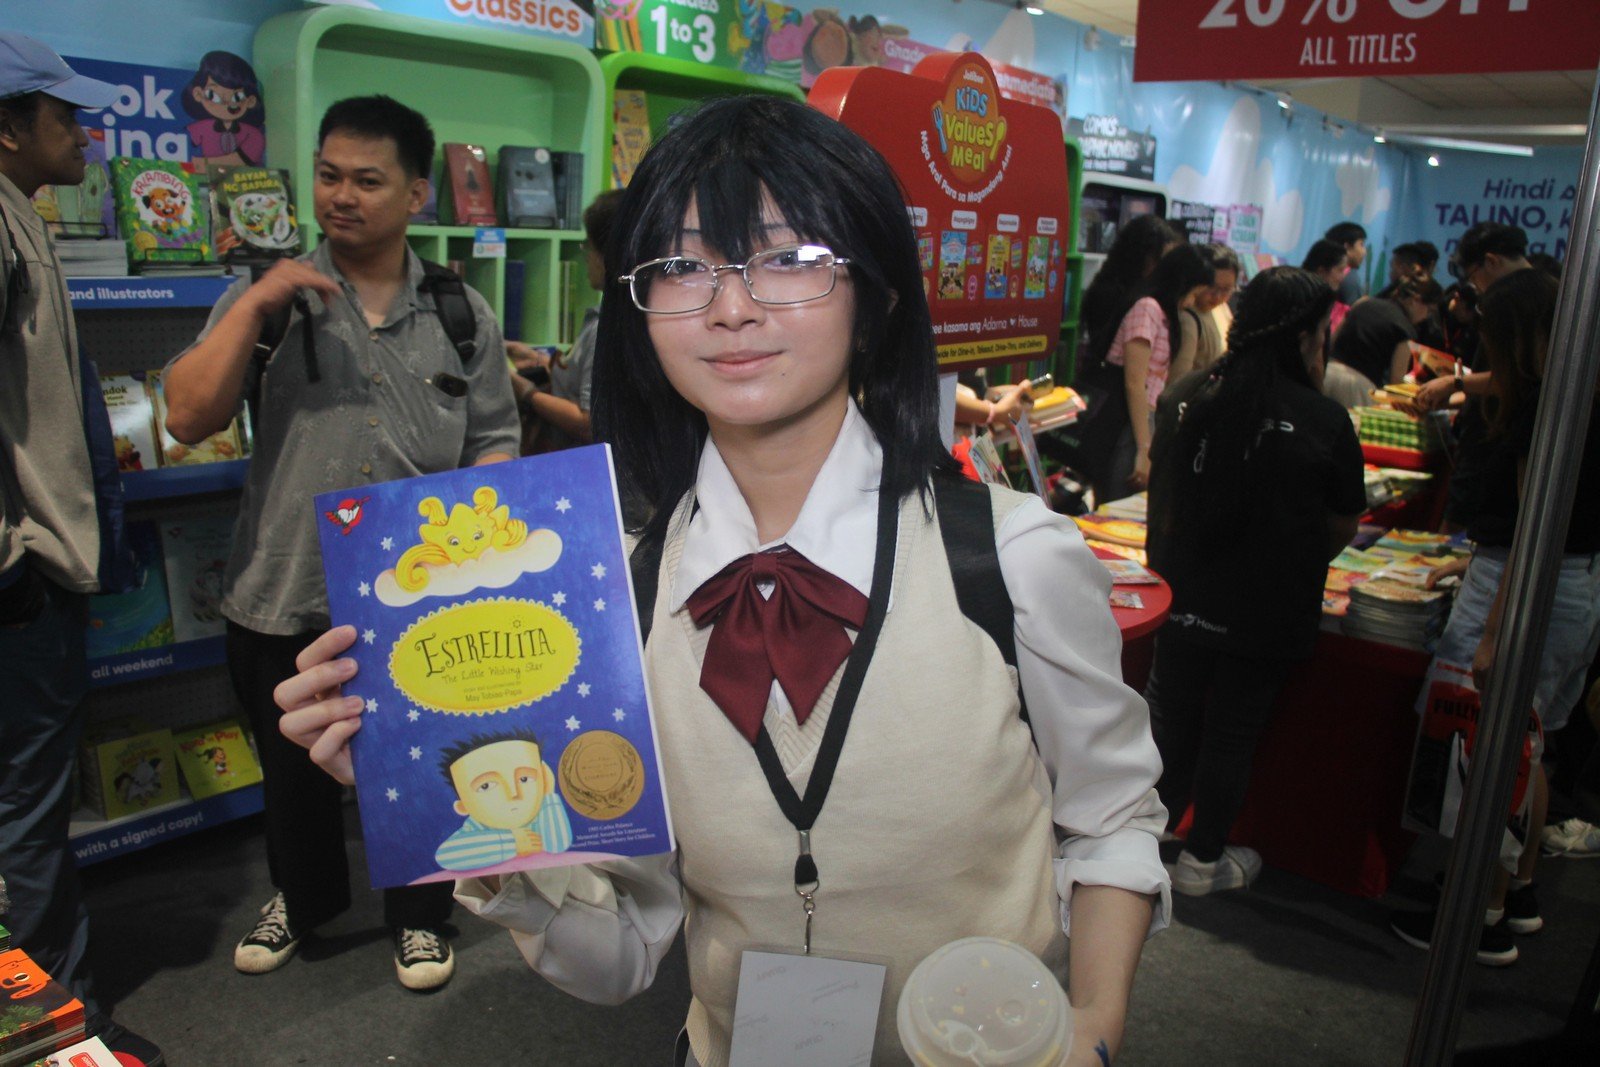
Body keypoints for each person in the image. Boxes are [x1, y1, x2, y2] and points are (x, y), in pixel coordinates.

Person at [275, 94, 1170, 1067]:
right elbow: (623, 955)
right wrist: (458, 811)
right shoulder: (618, 599)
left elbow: (1111, 818)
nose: (731, 306)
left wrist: (1094, 1023)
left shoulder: (1011, 557)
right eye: (680, 267)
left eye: (789, 258)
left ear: (875, 293)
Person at [161, 94, 519, 991]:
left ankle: (422, 915)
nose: (342, 196)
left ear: (416, 193)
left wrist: (480, 535)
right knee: (293, 775)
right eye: (328, 176)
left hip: (418, 595)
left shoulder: (460, 311)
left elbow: (494, 437)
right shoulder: (268, 301)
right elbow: (186, 417)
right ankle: (302, 895)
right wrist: (259, 302)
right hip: (282, 585)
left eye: (367, 180)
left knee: (422, 762)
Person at [0, 33, 164, 1066]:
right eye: (62, 115)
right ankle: (56, 1026)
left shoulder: (21, 216)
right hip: (18, 584)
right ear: (7, 126)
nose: (84, 132)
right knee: (26, 810)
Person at [1390, 268, 1600, 964]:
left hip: (1528, 586)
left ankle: (1478, 910)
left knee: (1490, 743)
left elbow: (1532, 531)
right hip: (1576, 582)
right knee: (1528, 743)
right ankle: (1517, 890)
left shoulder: (1542, 410)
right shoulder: (1578, 386)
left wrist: (1490, 631)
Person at [1144, 267, 1366, 896]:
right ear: (1305, 336)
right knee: (1232, 732)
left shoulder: (1186, 395)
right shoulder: (1323, 418)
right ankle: (1202, 861)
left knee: (1167, 722)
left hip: (1181, 597)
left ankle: (1139, 845)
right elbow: (1342, 522)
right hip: (1267, 607)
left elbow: (1164, 496)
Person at [507, 188, 624, 454]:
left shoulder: (607, 329)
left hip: (582, 462)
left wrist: (526, 392)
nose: (586, 256)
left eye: (588, 246)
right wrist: (540, 361)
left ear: (606, 254)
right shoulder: (612, 317)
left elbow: (589, 422)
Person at [1095, 242, 1214, 502]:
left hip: (1140, 420)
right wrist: (1144, 447)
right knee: (1119, 500)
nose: (1191, 302)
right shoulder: (1148, 309)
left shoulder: (1161, 314)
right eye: (1193, 293)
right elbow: (1135, 383)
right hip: (1128, 421)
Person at [1078, 212, 1180, 359]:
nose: (1163, 268)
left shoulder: (1137, 290)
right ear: (1143, 255)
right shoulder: (1111, 292)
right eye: (1159, 259)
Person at [1328, 276, 1441, 391]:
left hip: (1329, 373)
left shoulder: (1363, 303)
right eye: (1429, 310)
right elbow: (1396, 381)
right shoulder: (1405, 329)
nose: (1426, 317)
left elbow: (1332, 341)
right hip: (1358, 387)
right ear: (1415, 300)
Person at [1300, 238, 1350, 331]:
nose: (1343, 277)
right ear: (1321, 271)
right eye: (1340, 270)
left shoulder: (1326, 302)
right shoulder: (1303, 305)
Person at [1325, 220, 1368, 305]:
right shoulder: (1349, 278)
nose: (1365, 252)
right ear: (1347, 247)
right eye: (1361, 244)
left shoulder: (1324, 272)